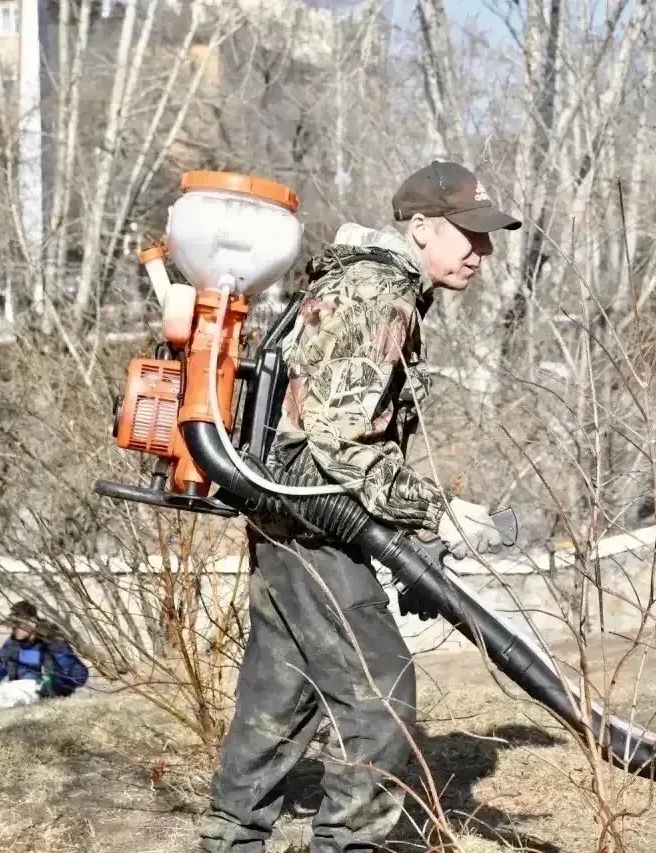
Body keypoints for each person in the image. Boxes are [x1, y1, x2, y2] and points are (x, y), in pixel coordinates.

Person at [198, 161, 522, 853]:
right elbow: (340, 444)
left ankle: (230, 842)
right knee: (382, 703)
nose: (481, 251)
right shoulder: (381, 294)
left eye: (487, 239)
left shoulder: (364, 283)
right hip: (316, 522)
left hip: (291, 520)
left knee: (278, 697)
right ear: (422, 228)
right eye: (470, 235)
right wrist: (441, 511)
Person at [0, 600, 89, 700]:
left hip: (50, 698)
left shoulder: (52, 641)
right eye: (12, 624)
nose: (14, 628)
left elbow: (77, 673)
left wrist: (54, 688)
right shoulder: (13, 644)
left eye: (18, 624)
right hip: (21, 699)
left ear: (32, 622)